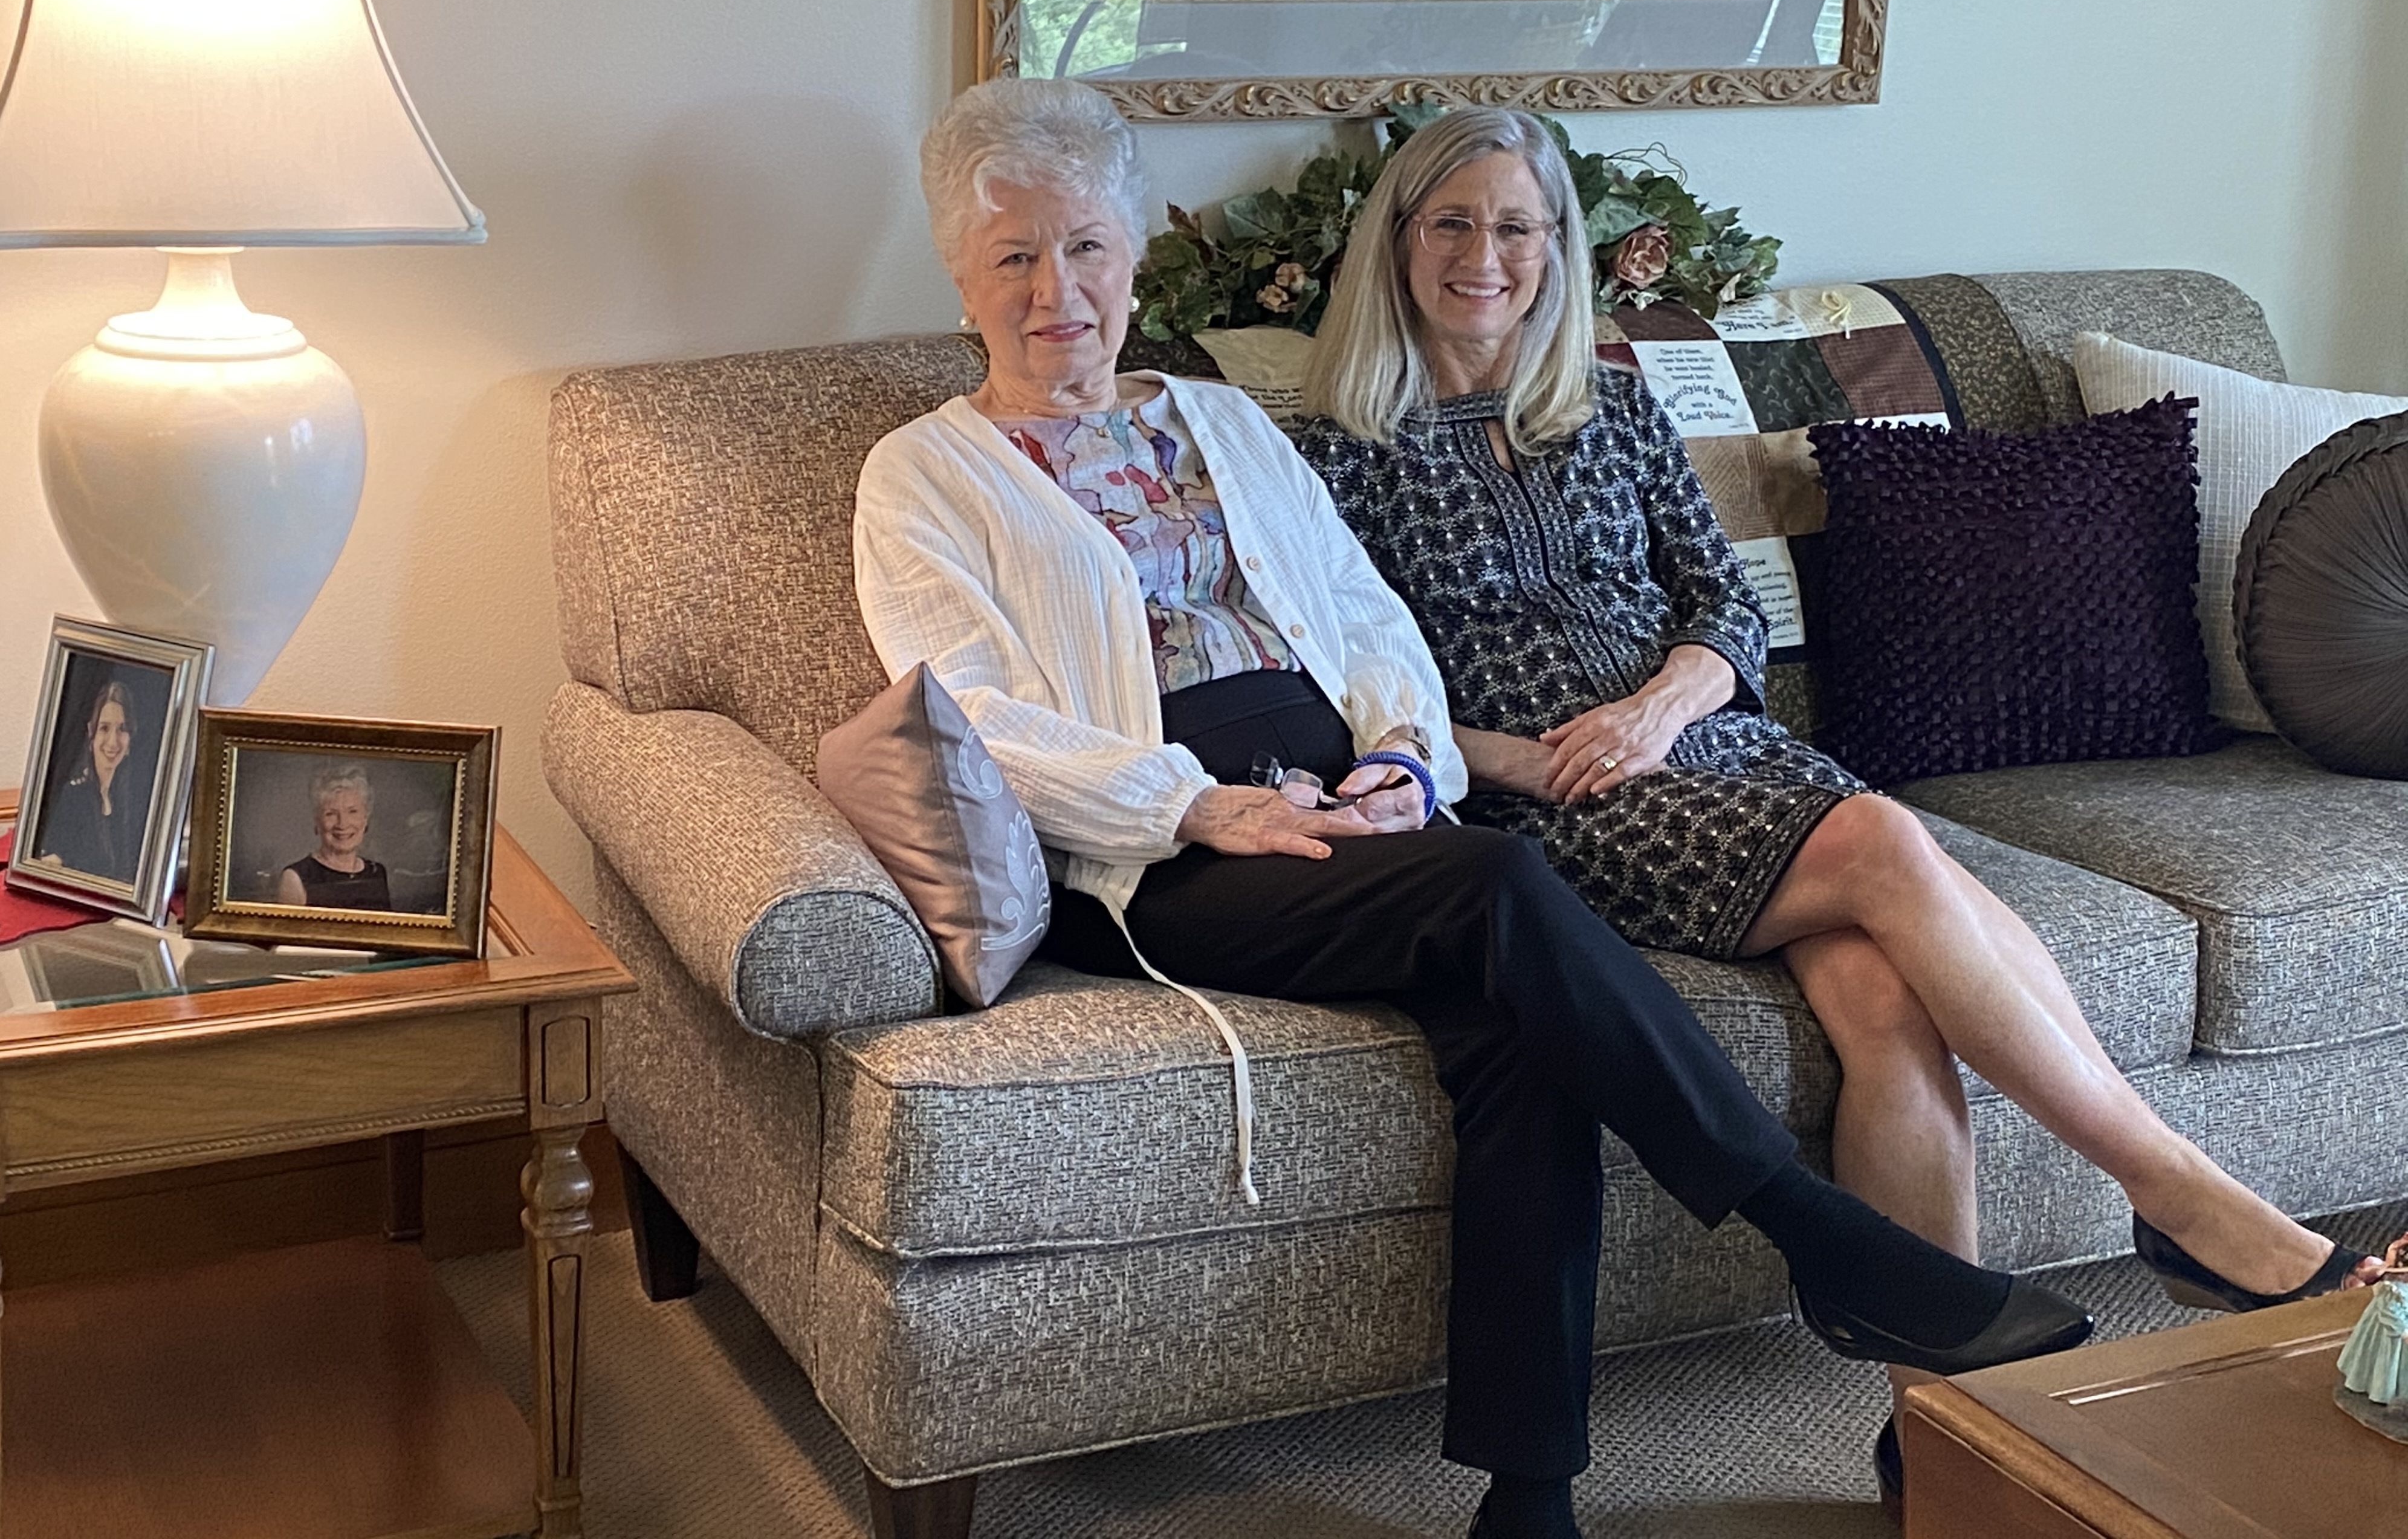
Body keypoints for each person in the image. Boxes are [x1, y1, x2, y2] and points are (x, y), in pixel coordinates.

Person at [853, 78, 2092, 1539]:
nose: (1059, 290)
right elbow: (984, 715)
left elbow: (1365, 617)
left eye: (1088, 251)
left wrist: (1403, 764)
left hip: (1355, 811)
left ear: (1128, 261)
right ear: (961, 275)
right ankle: (1815, 1230)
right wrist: (1201, 809)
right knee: (1506, 891)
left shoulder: (1219, 419)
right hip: (1163, 855)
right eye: (1017, 259)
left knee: (1526, 1044)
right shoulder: (922, 472)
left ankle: (1531, 1496)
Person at [1295, 105, 2380, 1493]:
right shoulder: (1330, 451)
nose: (1487, 255)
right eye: (1452, 221)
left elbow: (1723, 613)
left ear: (1560, 249)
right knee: (1877, 835)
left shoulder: (1614, 405)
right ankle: (2181, 1196)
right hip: (1544, 808)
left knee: (1881, 1000)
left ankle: (1933, 1437)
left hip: (1715, 755)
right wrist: (1520, 756)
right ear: (1395, 240)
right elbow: (1328, 685)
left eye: (1520, 225)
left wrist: (1659, 706)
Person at [34, 676, 145, 886]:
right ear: (91, 733)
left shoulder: (131, 801)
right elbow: (52, 862)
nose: (113, 741)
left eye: (122, 729)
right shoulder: (72, 797)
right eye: (104, 728)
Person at [273, 765, 392, 910]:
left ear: (365, 818)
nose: (342, 824)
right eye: (331, 814)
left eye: (352, 812)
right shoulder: (296, 879)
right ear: (317, 821)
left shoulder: (377, 873)